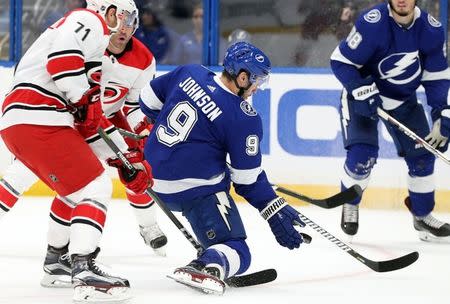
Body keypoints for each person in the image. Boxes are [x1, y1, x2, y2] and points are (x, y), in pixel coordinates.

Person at [0, 0, 167, 289]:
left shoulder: (112, 51)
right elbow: (63, 64)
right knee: (95, 186)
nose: (125, 26)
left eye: (132, 21)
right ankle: (84, 270)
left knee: (76, 189)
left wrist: (125, 155)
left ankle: (56, 262)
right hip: (43, 114)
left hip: (42, 117)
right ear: (108, 10)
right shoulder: (88, 21)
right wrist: (82, 99)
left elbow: (99, 117)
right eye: (121, 17)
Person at [138, 41, 308, 295]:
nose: (257, 88)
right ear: (242, 77)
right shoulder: (243, 117)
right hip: (193, 192)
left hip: (149, 179)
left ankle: (211, 252)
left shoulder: (190, 72)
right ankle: (209, 264)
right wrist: (272, 209)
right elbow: (247, 180)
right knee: (239, 250)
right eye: (257, 80)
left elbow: (146, 101)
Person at [330, 0, 450, 242]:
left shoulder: (431, 30)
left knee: (423, 157)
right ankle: (350, 203)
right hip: (363, 97)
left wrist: (441, 114)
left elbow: (436, 77)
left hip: (402, 101)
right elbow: (341, 61)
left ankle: (422, 215)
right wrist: (360, 89)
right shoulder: (372, 23)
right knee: (362, 156)